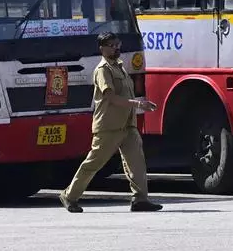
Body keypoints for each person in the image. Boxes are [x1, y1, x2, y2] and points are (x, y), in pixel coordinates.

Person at [59, 32, 163, 213]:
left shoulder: (119, 67)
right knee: (94, 163)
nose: (116, 48)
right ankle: (69, 196)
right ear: (102, 49)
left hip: (127, 125)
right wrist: (138, 104)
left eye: (117, 44)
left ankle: (140, 199)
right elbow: (111, 98)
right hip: (109, 126)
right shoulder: (103, 70)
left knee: (136, 161)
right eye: (111, 45)